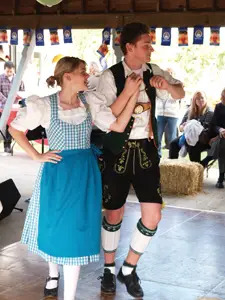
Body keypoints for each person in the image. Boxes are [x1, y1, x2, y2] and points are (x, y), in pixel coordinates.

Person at [9, 56, 141, 300]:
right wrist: (36, 156)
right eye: (82, 72)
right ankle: (53, 274)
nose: (87, 75)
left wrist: (133, 94)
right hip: (57, 172)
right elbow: (15, 129)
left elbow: (118, 125)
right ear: (67, 76)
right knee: (55, 228)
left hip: (84, 173)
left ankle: (68, 296)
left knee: (76, 232)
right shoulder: (45, 105)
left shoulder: (88, 101)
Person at [96, 22, 185, 298]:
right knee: (114, 213)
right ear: (130, 46)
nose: (151, 48)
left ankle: (128, 268)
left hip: (146, 150)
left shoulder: (153, 70)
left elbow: (180, 92)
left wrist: (167, 85)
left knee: (153, 215)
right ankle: (109, 270)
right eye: (146, 44)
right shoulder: (109, 77)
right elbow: (106, 117)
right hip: (117, 150)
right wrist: (129, 92)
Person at [169, 91, 213, 163]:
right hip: (188, 136)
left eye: (202, 98)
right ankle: (173, 167)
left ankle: (196, 169)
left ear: (206, 99)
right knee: (173, 144)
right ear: (194, 100)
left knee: (192, 146)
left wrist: (190, 125)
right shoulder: (190, 110)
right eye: (197, 99)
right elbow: (180, 127)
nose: (200, 100)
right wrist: (184, 127)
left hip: (203, 138)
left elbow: (206, 129)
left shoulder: (210, 112)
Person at [202, 88, 225, 188]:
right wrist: (220, 130)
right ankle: (221, 176)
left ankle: (207, 160)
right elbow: (214, 125)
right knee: (222, 144)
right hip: (221, 135)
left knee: (221, 145)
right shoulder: (219, 106)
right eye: (223, 96)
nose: (222, 98)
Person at [0, 61, 25, 153]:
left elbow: (22, 91)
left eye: (11, 71)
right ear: (4, 70)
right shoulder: (1, 78)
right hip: (3, 106)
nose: (9, 73)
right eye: (7, 71)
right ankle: (6, 145)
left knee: (12, 125)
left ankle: (10, 144)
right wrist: (7, 101)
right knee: (5, 125)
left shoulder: (18, 79)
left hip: (15, 107)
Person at [156, 68, 181, 156]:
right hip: (160, 113)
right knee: (157, 137)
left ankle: (173, 157)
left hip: (172, 114)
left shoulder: (176, 85)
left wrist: (169, 89)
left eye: (170, 73)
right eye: (166, 74)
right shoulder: (159, 85)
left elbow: (178, 97)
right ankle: (157, 156)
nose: (168, 75)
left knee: (171, 138)